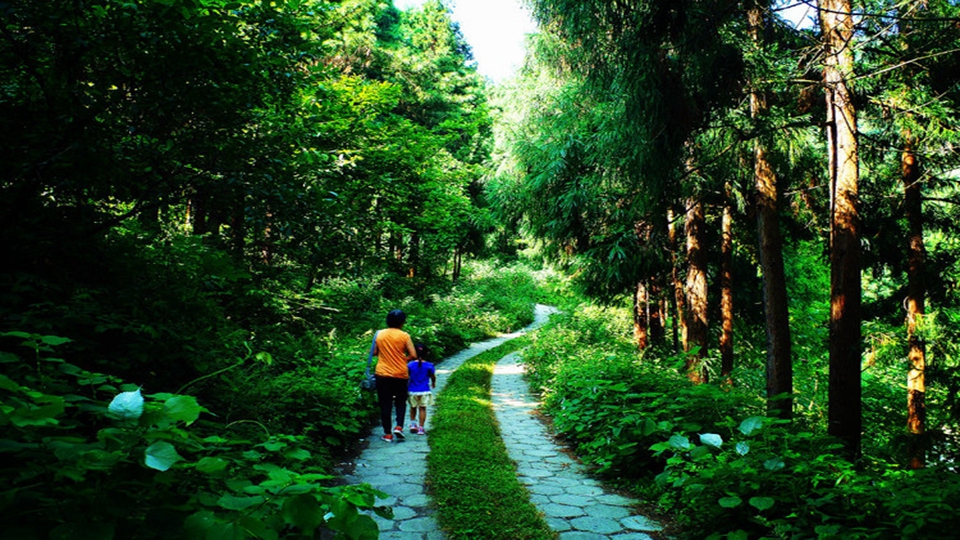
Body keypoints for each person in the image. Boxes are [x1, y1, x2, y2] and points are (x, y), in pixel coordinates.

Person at [373, 309, 417, 442]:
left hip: (382, 373)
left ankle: (387, 433)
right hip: (400, 373)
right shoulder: (404, 336)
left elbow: (374, 352)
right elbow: (414, 355)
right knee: (400, 402)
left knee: (385, 403)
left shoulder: (379, 334)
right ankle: (399, 427)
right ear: (402, 322)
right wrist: (403, 359)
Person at [407, 343, 436, 435]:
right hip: (424, 390)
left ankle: (412, 424)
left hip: (412, 390)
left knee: (413, 407)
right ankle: (421, 428)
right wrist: (433, 383)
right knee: (422, 409)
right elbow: (433, 376)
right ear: (427, 353)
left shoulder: (410, 365)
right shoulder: (429, 365)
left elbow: (407, 376)